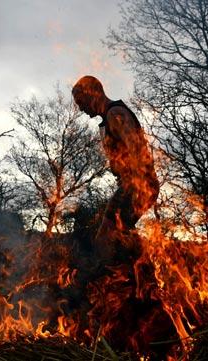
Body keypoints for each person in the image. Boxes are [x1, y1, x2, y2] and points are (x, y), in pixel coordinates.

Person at [72, 75, 159, 263]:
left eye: (80, 102)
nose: (80, 108)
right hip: (132, 185)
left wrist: (136, 184)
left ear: (92, 94)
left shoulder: (116, 113)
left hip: (139, 184)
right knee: (118, 235)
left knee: (107, 238)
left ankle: (131, 279)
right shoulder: (108, 117)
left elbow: (137, 149)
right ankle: (139, 279)